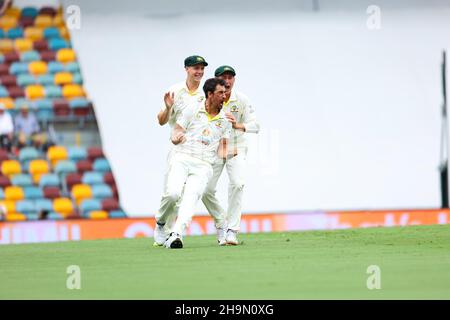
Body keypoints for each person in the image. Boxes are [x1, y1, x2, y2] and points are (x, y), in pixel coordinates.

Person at [154, 56, 226, 246]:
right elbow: (162, 121)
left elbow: (220, 127)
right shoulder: (175, 91)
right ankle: (162, 225)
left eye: (202, 68)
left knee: (191, 197)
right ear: (186, 69)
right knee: (172, 194)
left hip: (203, 156)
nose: (199, 72)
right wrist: (169, 109)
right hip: (179, 147)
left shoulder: (207, 95)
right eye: (196, 68)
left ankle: (175, 234)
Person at [202, 66, 260, 245]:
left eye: (230, 77)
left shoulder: (241, 99)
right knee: (205, 190)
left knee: (238, 183)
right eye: (223, 77)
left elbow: (256, 125)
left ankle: (232, 230)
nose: (227, 81)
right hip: (215, 149)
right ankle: (222, 222)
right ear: (216, 79)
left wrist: (238, 126)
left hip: (236, 148)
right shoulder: (209, 98)